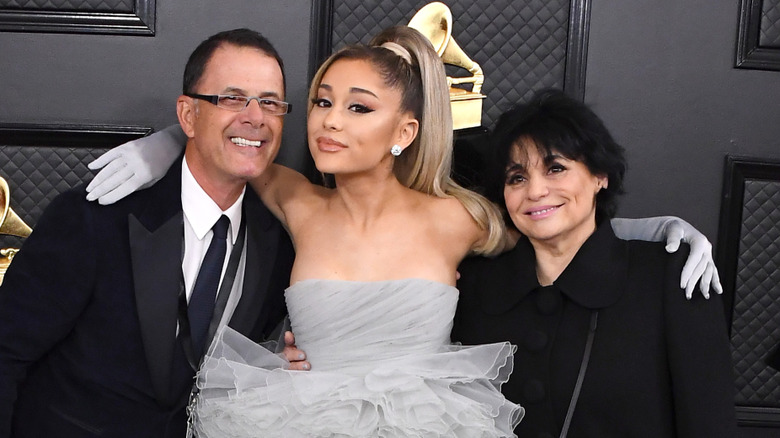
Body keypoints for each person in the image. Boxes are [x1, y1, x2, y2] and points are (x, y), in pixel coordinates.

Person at [0, 29, 308, 438]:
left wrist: (274, 368)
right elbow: (6, 353)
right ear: (187, 116)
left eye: (270, 102)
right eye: (232, 98)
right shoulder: (93, 220)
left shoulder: (278, 246)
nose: (255, 117)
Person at [453, 89, 738, 437]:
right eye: (517, 177)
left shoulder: (670, 277)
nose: (536, 190)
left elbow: (709, 422)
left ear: (600, 176)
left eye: (555, 168)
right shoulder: (473, 283)